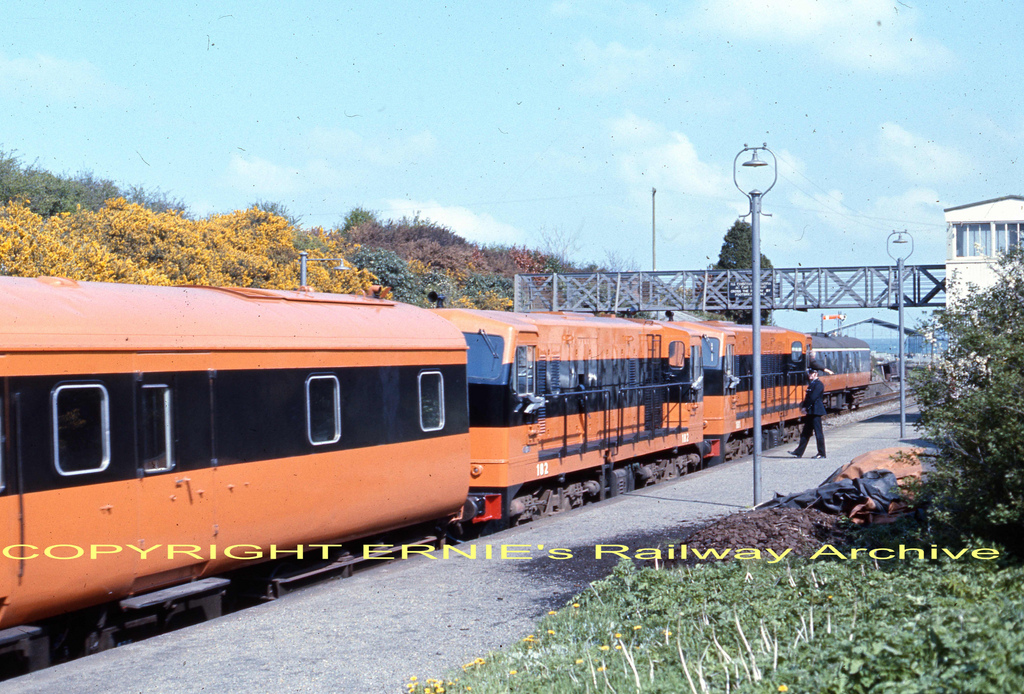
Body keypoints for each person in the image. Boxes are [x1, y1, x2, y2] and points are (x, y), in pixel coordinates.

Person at [790, 369, 827, 458]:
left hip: (816, 411)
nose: (809, 375)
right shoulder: (813, 384)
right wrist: (803, 406)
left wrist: (805, 407)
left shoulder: (818, 384)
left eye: (811, 373)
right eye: (809, 373)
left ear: (816, 374)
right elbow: (808, 398)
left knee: (818, 433)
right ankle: (798, 452)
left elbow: (813, 398)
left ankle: (822, 453)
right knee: (805, 433)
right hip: (811, 412)